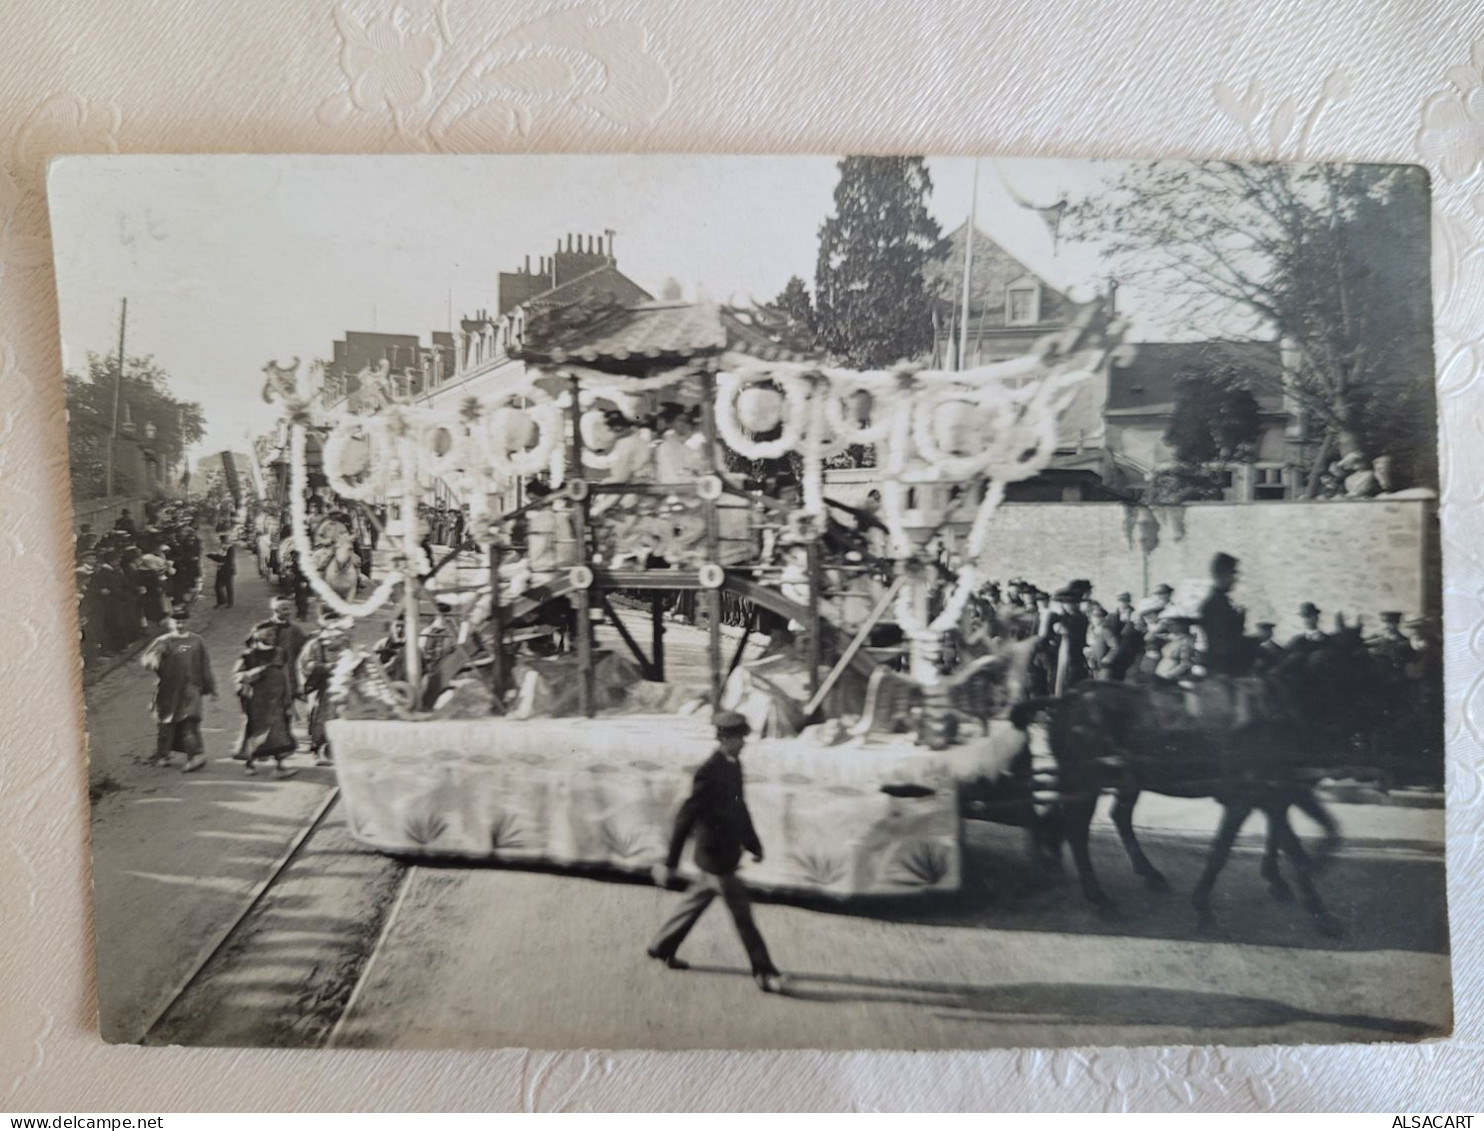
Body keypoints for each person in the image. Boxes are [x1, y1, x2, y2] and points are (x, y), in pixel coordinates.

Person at [647, 711, 787, 994]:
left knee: (697, 899)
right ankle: (764, 972)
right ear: (724, 739)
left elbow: (740, 807)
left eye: (744, 737)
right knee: (743, 916)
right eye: (738, 738)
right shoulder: (710, 771)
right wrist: (671, 862)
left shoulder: (734, 765)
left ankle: (661, 946)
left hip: (723, 854)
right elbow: (686, 816)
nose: (743, 742)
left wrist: (753, 844)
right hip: (715, 857)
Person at [139, 605, 216, 773]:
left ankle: (195, 755)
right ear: (170, 622)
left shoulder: (196, 641)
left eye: (183, 621)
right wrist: (154, 659)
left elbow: (205, 665)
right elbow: (147, 659)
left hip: (191, 688)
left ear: (188, 621)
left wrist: (210, 687)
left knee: (190, 721)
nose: (180, 625)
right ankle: (163, 754)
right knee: (166, 722)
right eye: (176, 622)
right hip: (169, 690)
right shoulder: (163, 641)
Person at [234, 621, 298, 778]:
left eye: (274, 634)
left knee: (279, 731)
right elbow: (239, 676)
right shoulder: (248, 655)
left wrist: (288, 700)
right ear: (258, 635)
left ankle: (280, 765)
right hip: (256, 702)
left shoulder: (280, 653)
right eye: (268, 634)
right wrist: (255, 672)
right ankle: (250, 762)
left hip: (276, 701)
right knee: (255, 731)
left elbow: (285, 677)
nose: (272, 637)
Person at [299, 611, 352, 766]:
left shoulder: (346, 641)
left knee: (342, 715)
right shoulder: (315, 644)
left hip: (343, 685)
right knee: (321, 717)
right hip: (322, 685)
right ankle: (320, 749)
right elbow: (306, 664)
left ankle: (340, 749)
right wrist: (326, 667)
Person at [1198, 552, 1253, 676]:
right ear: (1220, 575)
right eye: (1233, 573)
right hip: (1223, 668)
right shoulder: (1215, 604)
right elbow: (1222, 642)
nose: (1236, 578)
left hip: (1224, 664)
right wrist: (1254, 641)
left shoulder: (1221, 602)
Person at [208, 536, 237, 608]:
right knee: (217, 586)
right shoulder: (221, 548)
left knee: (229, 587)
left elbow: (227, 559)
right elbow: (219, 557)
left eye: (223, 541)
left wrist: (214, 557)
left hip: (228, 570)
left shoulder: (230, 548)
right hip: (220, 569)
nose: (222, 543)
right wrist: (213, 556)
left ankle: (230, 603)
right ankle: (221, 601)